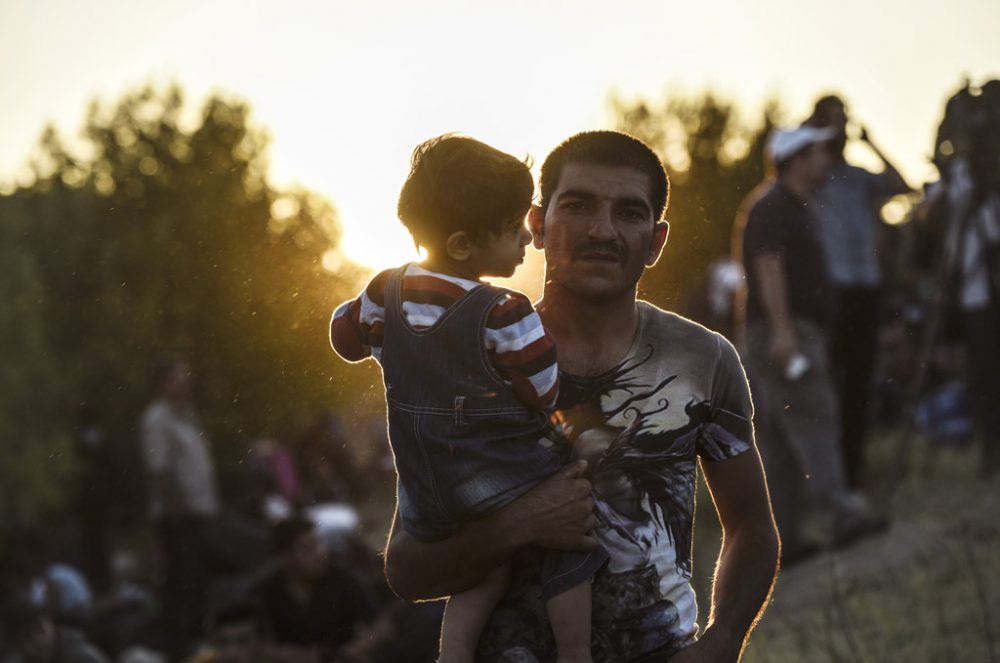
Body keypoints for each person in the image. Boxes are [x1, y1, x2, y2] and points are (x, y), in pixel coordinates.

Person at [383, 131, 779, 661]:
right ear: (537, 225)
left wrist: (722, 641)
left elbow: (751, 526)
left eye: (629, 213)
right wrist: (522, 522)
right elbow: (407, 568)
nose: (601, 230)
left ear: (656, 242)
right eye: (577, 205)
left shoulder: (703, 359)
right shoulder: (468, 356)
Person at [331, 134, 608, 662]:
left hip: (427, 496)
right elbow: (542, 390)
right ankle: (577, 653)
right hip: (498, 476)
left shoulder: (383, 291)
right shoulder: (503, 310)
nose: (527, 237)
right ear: (462, 245)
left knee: (485, 568)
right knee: (569, 541)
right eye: (511, 230)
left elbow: (344, 338)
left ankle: (452, 655)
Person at [734, 125, 887, 563]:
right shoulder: (774, 206)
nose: (825, 159)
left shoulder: (790, 205)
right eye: (817, 152)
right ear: (796, 160)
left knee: (780, 439)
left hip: (780, 331)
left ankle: (786, 541)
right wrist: (784, 332)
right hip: (788, 333)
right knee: (816, 416)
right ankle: (841, 516)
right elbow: (768, 268)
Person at [806, 95, 913, 488]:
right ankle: (824, 472)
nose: (840, 129)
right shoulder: (812, 176)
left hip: (866, 287)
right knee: (828, 382)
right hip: (832, 291)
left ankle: (854, 469)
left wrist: (872, 143)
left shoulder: (858, 177)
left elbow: (903, 186)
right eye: (832, 122)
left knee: (860, 380)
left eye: (843, 121)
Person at [138, 356, 220, 660]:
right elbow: (160, 472)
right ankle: (180, 651)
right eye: (178, 376)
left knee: (198, 586)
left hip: (197, 516)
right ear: (163, 383)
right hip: (179, 521)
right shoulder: (156, 419)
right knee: (181, 590)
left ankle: (197, 648)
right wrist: (178, 513)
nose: (185, 381)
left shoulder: (185, 415)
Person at [250, 516, 382, 660]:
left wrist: (348, 653)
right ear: (284, 558)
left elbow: (381, 627)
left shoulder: (341, 578)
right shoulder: (266, 593)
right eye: (308, 548)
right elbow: (256, 644)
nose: (320, 553)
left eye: (319, 543)